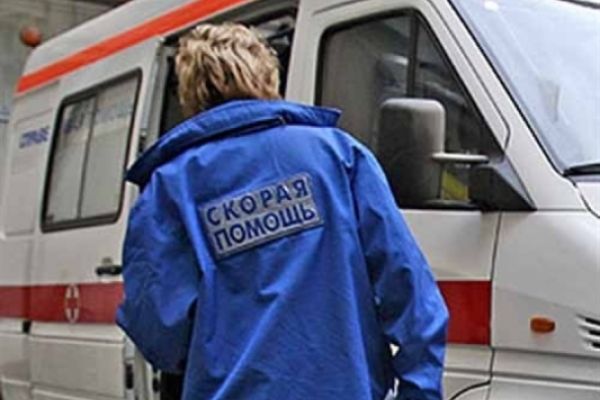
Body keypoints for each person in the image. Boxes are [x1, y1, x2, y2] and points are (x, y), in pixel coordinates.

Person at [117, 23, 448, 400]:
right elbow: (410, 292)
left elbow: (160, 331)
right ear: (268, 77)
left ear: (191, 92)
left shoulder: (169, 186)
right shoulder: (339, 155)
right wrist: (418, 392)